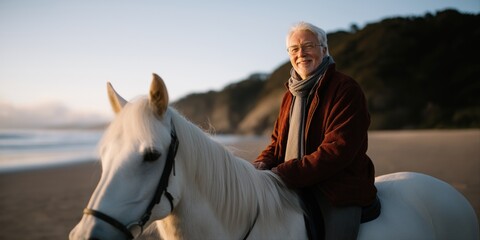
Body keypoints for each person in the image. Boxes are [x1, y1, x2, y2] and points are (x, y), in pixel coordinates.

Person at [253, 21, 377, 240]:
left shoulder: (345, 89)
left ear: (324, 49)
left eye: (308, 46)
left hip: (337, 188)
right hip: (293, 181)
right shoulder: (290, 95)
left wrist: (282, 174)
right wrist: (260, 165)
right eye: (294, 49)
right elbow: (277, 143)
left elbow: (337, 151)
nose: (301, 53)